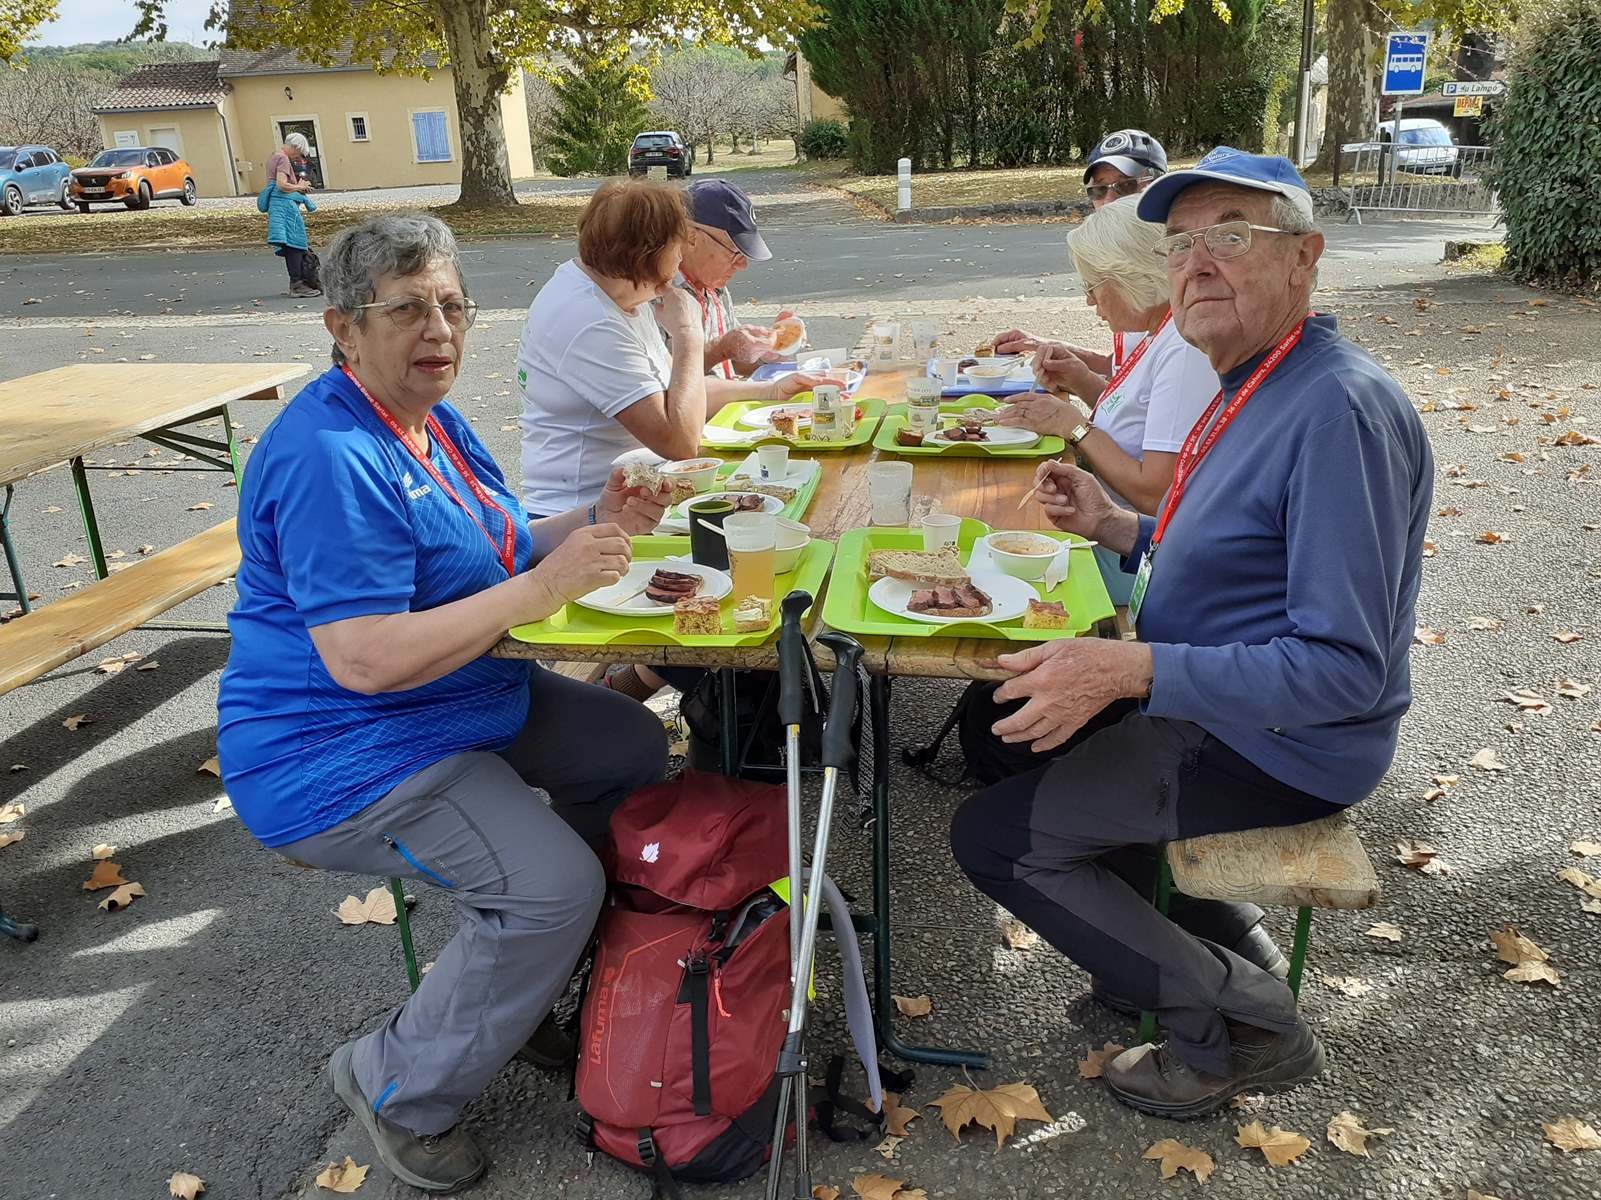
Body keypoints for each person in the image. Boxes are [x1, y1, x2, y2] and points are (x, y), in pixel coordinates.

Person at [949, 148, 1432, 1119]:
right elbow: (1234, 549)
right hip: (1212, 708)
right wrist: (1114, 526)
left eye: (1230, 237)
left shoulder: (1335, 410)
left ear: (1303, 257)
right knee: (1004, 730)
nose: (1197, 264)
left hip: (1281, 744)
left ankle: (1239, 1022)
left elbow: (1341, 669)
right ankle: (1201, 951)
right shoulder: (1252, 376)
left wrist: (1130, 668)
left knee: (995, 842)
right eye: (1179, 245)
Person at [217, 214, 671, 1192]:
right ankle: (396, 1088)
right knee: (551, 887)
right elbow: (368, 661)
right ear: (342, 328)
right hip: (345, 753)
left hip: (464, 699)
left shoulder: (429, 419)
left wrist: (599, 519)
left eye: (453, 305)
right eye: (409, 309)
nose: (440, 330)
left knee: (627, 747)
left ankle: (526, 984)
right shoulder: (330, 457)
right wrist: (541, 592)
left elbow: (495, 544)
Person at [516, 179, 827, 519]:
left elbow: (679, 393)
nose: (681, 258)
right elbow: (681, 443)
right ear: (646, 252)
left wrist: (771, 389)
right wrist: (688, 334)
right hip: (582, 519)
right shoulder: (590, 320)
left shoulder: (625, 290)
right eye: (677, 245)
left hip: (638, 499)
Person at [998, 195, 1216, 519]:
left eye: (1092, 286)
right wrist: (1081, 379)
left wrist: (1071, 425)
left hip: (1129, 545)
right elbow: (1136, 417)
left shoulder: (1184, 349)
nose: (1089, 300)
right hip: (1102, 518)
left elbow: (1156, 494)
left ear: (1129, 277)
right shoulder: (1160, 329)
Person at [991, 129, 1170, 389]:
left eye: (1126, 186)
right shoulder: (1122, 260)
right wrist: (1046, 346)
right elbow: (1127, 366)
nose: (1109, 200)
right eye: (1098, 190)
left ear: (1160, 187)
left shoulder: (1168, 266)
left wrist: (1075, 426)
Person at [677, 178, 799, 379]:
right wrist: (721, 349)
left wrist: (766, 351)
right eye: (735, 252)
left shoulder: (714, 287)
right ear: (691, 236)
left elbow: (733, 364)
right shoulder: (654, 294)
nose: (742, 265)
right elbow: (666, 381)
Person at [264, 133, 319, 298]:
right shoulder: (283, 159)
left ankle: (299, 282)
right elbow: (281, 185)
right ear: (295, 147)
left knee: (291, 244)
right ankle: (297, 284)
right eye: (299, 152)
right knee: (295, 243)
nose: (298, 157)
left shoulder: (273, 157)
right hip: (285, 208)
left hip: (277, 207)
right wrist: (299, 187)